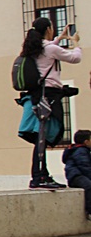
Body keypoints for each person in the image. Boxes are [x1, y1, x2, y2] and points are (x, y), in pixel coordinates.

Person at [20, 17, 80, 189]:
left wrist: (59, 38)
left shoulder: (33, 48)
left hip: (37, 96)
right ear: (47, 29)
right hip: (49, 96)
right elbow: (75, 58)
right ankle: (39, 177)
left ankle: (40, 175)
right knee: (43, 137)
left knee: (41, 137)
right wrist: (75, 44)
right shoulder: (50, 49)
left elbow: (47, 52)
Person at [62, 130, 91, 220]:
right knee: (89, 186)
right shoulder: (80, 151)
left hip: (78, 175)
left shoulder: (83, 150)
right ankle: (89, 211)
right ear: (86, 142)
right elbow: (84, 167)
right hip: (76, 176)